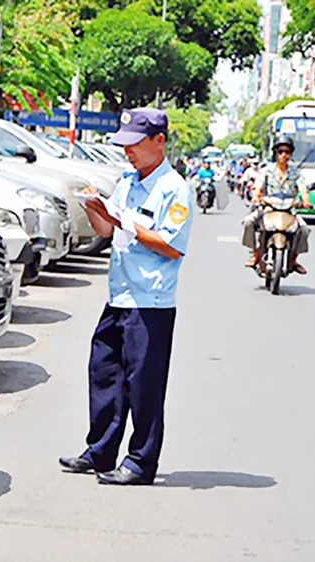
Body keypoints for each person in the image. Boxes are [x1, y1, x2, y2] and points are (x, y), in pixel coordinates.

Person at [59, 108, 193, 486]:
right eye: (124, 145)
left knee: (145, 385)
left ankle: (140, 462)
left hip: (150, 301)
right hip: (119, 294)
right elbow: (107, 228)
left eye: (135, 144)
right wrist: (95, 210)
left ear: (159, 142)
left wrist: (124, 222)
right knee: (104, 372)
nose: (128, 152)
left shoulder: (174, 189)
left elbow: (171, 246)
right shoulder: (128, 182)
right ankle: (100, 450)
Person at [242, 136, 312, 273]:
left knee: (304, 229)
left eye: (286, 152)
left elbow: (303, 189)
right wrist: (256, 197)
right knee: (248, 222)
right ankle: (256, 254)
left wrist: (306, 200)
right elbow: (258, 186)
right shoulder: (266, 170)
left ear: (290, 154)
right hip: (269, 208)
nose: (283, 155)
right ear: (276, 153)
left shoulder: (296, 173)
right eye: (280, 151)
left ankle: (293, 259)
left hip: (289, 210)